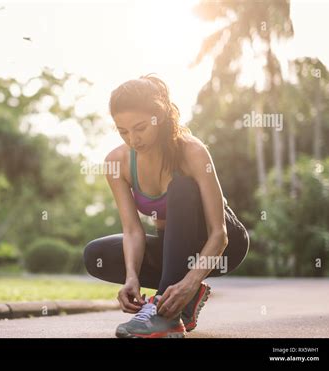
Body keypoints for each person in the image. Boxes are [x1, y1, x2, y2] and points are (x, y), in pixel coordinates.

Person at [83, 74, 250, 338]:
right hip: (175, 250)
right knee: (96, 255)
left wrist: (191, 281)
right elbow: (132, 231)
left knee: (182, 187)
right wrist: (131, 277)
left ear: (158, 116)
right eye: (123, 131)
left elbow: (220, 234)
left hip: (221, 247)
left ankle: (164, 312)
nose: (133, 139)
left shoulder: (192, 152)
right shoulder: (117, 162)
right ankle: (179, 303)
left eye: (140, 128)